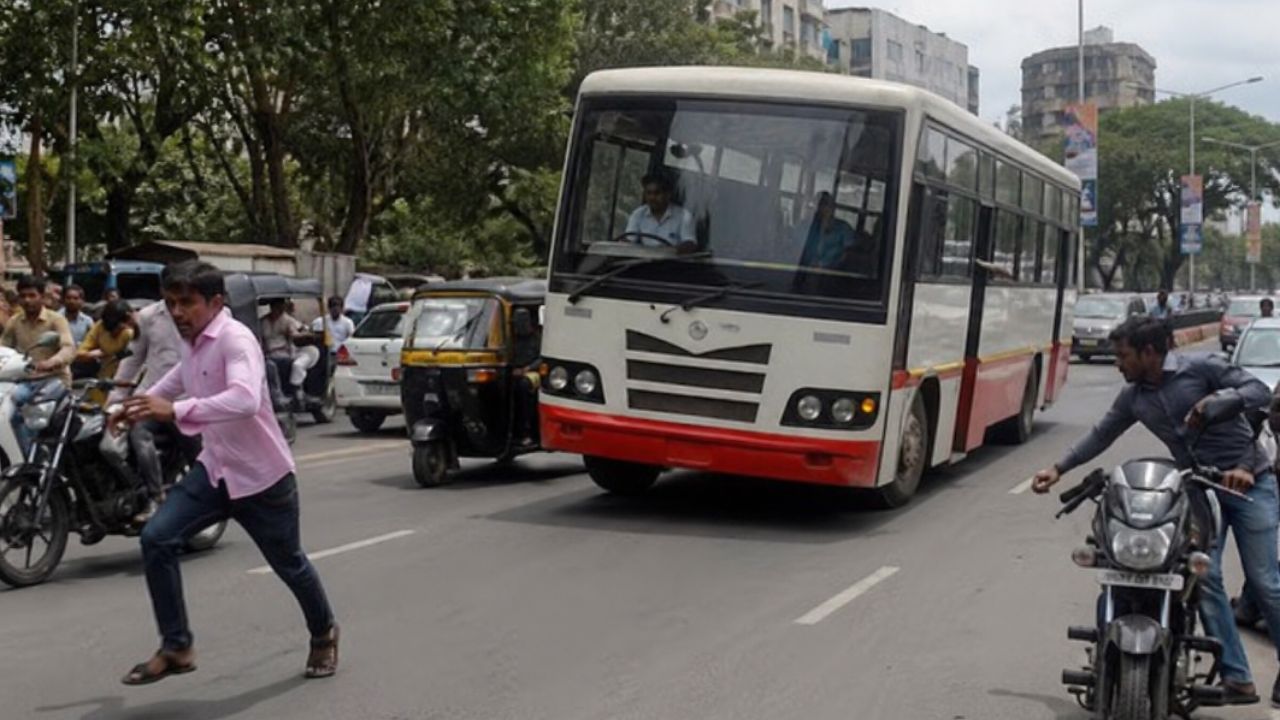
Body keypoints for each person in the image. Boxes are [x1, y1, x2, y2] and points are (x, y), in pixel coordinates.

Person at [1032, 316, 1280, 706]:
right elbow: (1102, 433)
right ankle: (1237, 677)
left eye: (1123, 355)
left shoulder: (1202, 369)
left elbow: (1257, 392)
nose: (1118, 363)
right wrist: (1058, 469)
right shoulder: (1134, 396)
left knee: (1265, 582)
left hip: (1250, 483)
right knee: (1202, 577)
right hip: (1197, 489)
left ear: (1149, 353)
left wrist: (1217, 402)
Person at [116, 261, 338, 685]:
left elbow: (244, 400)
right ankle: (177, 645)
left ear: (216, 303)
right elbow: (180, 376)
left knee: (289, 564)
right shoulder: (192, 339)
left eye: (187, 303)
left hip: (262, 477)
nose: (178, 313)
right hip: (215, 470)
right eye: (171, 303)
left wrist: (175, 410)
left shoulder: (237, 340)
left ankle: (324, 631)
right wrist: (134, 406)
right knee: (156, 538)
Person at [107, 292, 197, 524]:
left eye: (182, 293)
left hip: (189, 401)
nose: (177, 309)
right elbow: (132, 359)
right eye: (171, 293)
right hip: (153, 396)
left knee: (197, 452)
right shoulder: (147, 317)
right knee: (138, 431)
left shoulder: (201, 313)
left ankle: (212, 494)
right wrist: (115, 399)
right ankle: (155, 496)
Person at [0, 275, 75, 455]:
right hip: (24, 380)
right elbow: (3, 348)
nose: (27, 300)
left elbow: (68, 348)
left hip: (53, 379)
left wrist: (52, 362)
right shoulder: (15, 321)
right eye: (23, 296)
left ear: (42, 297)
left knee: (22, 410)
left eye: (32, 295)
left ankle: (31, 459)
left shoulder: (56, 320)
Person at [77, 299, 136, 406]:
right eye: (110, 329)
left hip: (127, 381)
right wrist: (100, 353)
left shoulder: (131, 333)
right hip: (105, 379)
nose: (114, 332)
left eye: (118, 327)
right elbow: (81, 353)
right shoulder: (101, 326)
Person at [261, 299, 319, 407]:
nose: (278, 309)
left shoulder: (288, 321)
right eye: (276, 306)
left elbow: (294, 334)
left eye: (280, 307)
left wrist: (309, 335)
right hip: (267, 354)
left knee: (282, 365)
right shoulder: (263, 322)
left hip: (283, 354)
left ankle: (288, 395)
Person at [624, 173, 697, 251]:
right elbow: (629, 241)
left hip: (672, 261)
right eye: (649, 193)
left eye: (657, 193)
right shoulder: (638, 214)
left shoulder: (684, 216)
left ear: (668, 194)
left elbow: (690, 243)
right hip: (641, 261)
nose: (652, 198)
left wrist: (677, 249)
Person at [798, 192, 859, 270]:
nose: (824, 208)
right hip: (804, 271)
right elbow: (796, 250)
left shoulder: (843, 228)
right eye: (820, 204)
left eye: (827, 204)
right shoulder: (804, 226)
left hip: (833, 274)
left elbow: (850, 253)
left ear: (833, 207)